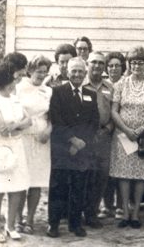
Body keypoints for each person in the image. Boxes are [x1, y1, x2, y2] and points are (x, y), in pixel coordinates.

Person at [109, 45, 144, 229]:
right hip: (123, 136)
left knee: (140, 177)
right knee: (123, 176)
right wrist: (126, 129)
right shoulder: (121, 84)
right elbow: (114, 111)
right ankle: (125, 212)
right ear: (129, 64)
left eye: (140, 63)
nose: (137, 66)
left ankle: (136, 213)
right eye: (133, 62)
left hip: (143, 137)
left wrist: (139, 130)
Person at [47, 57, 99, 239]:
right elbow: (56, 119)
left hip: (82, 150)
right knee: (58, 188)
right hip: (62, 149)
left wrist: (81, 142)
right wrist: (72, 140)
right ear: (67, 73)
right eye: (73, 71)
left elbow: (94, 122)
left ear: (85, 74)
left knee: (79, 188)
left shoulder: (91, 94)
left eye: (80, 71)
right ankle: (53, 224)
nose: (77, 74)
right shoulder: (57, 92)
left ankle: (75, 224)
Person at [0, 62, 31, 242]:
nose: (15, 81)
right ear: (4, 81)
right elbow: (0, 128)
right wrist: (17, 126)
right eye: (12, 78)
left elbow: (28, 121)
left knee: (16, 187)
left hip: (16, 146)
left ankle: (10, 226)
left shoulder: (16, 98)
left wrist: (15, 126)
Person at [16, 55, 52, 233]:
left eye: (45, 72)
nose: (41, 75)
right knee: (21, 180)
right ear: (30, 71)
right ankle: (17, 219)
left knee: (36, 181)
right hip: (23, 137)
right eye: (38, 71)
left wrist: (48, 131)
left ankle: (30, 220)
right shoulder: (19, 88)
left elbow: (54, 116)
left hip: (42, 140)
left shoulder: (48, 91)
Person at [83, 51, 115, 229]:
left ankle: (92, 213)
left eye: (100, 63)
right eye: (93, 62)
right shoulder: (80, 84)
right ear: (87, 64)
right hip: (84, 137)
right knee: (84, 174)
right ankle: (78, 212)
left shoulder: (110, 88)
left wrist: (109, 127)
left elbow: (116, 112)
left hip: (104, 136)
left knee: (101, 176)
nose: (96, 66)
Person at [102, 52, 126, 216]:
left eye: (117, 65)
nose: (114, 69)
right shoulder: (103, 85)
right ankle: (107, 204)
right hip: (106, 132)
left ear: (122, 68)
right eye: (110, 65)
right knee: (106, 169)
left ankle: (121, 205)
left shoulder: (126, 84)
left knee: (121, 169)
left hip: (122, 131)